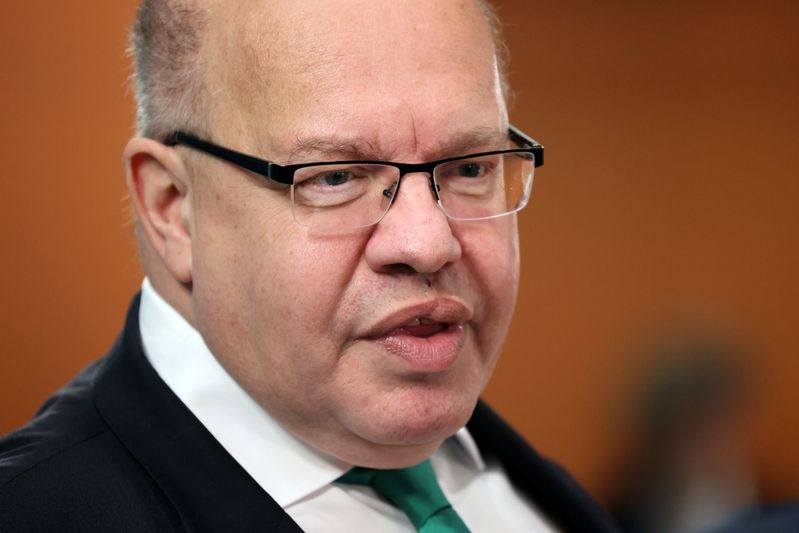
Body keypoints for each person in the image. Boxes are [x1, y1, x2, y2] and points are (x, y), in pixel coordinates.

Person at [0, 0, 619, 531]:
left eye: (470, 167)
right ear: (172, 209)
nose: (430, 245)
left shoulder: (538, 497)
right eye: (336, 177)